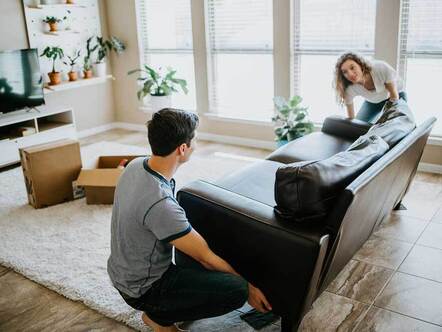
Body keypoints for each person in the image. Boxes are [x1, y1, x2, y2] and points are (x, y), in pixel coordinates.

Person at [107, 108, 272, 332]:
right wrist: (250, 288)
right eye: (194, 140)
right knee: (236, 289)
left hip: (121, 274)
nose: (195, 144)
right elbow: (206, 258)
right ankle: (159, 317)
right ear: (182, 148)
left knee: (189, 232)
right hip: (144, 290)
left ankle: (164, 309)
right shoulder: (160, 204)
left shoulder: (135, 165)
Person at [333, 52, 407, 123]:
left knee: (395, 123)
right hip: (373, 101)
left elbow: (394, 96)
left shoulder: (380, 67)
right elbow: (351, 119)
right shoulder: (348, 88)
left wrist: (384, 118)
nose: (350, 74)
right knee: (358, 124)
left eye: (352, 67)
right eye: (345, 72)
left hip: (397, 95)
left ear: (360, 64)